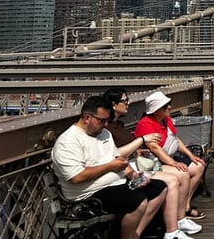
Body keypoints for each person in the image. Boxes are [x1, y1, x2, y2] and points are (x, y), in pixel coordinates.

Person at [51, 96, 170, 239]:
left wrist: (133, 175)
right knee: (137, 200)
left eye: (107, 120)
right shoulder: (68, 141)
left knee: (159, 188)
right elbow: (77, 177)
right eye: (102, 121)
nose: (106, 124)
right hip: (89, 195)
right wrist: (110, 167)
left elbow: (117, 161)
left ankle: (134, 234)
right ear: (87, 118)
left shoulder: (104, 134)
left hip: (116, 184)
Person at [103, 88, 200, 236]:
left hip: (139, 163)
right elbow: (115, 153)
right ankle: (172, 230)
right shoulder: (107, 129)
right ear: (114, 105)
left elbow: (171, 139)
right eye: (125, 101)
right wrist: (141, 142)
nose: (128, 103)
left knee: (182, 174)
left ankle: (179, 219)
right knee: (173, 180)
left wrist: (138, 151)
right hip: (131, 169)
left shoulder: (119, 125)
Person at [134, 92, 207, 224]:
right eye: (165, 106)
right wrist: (173, 163)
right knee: (182, 172)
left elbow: (175, 140)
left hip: (170, 156)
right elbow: (155, 148)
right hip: (155, 162)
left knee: (199, 167)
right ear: (156, 111)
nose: (169, 107)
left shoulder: (166, 119)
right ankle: (178, 214)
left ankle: (185, 205)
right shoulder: (146, 124)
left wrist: (191, 155)